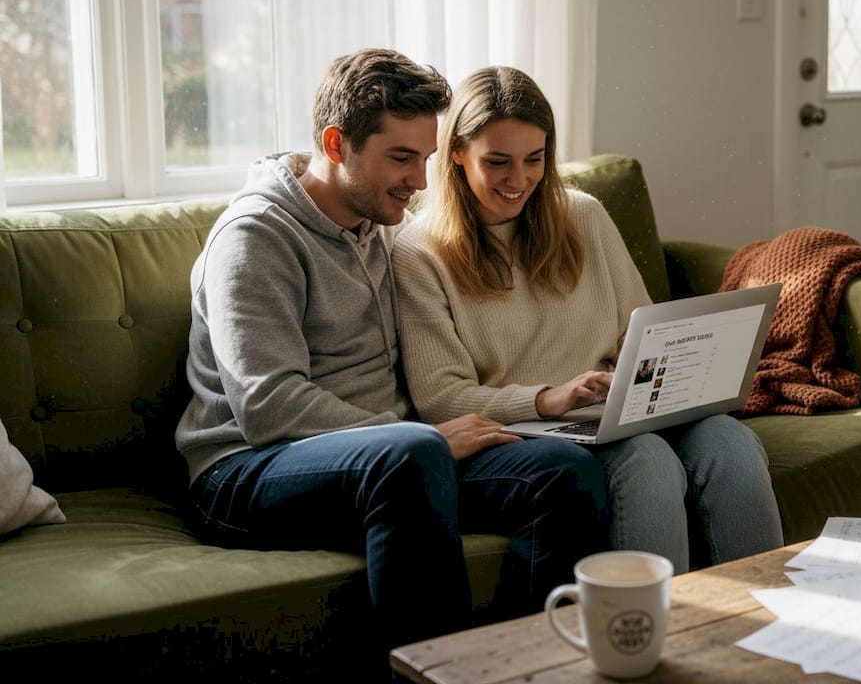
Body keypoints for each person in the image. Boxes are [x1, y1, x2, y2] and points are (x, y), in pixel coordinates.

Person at [174, 49, 609, 655]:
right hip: (246, 470)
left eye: (426, 158)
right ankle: (445, 673)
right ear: (336, 144)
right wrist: (424, 438)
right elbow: (269, 407)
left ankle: (531, 667)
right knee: (410, 454)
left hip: (392, 457)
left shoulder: (378, 224)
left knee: (564, 472)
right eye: (400, 158)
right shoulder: (255, 237)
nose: (419, 180)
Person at [392, 66, 784, 573]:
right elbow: (440, 398)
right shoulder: (419, 252)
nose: (519, 181)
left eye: (534, 160)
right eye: (498, 162)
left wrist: (680, 372)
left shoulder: (584, 215)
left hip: (618, 411)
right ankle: (657, 634)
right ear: (457, 155)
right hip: (535, 434)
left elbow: (638, 332)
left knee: (731, 444)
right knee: (648, 462)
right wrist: (548, 399)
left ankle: (765, 622)